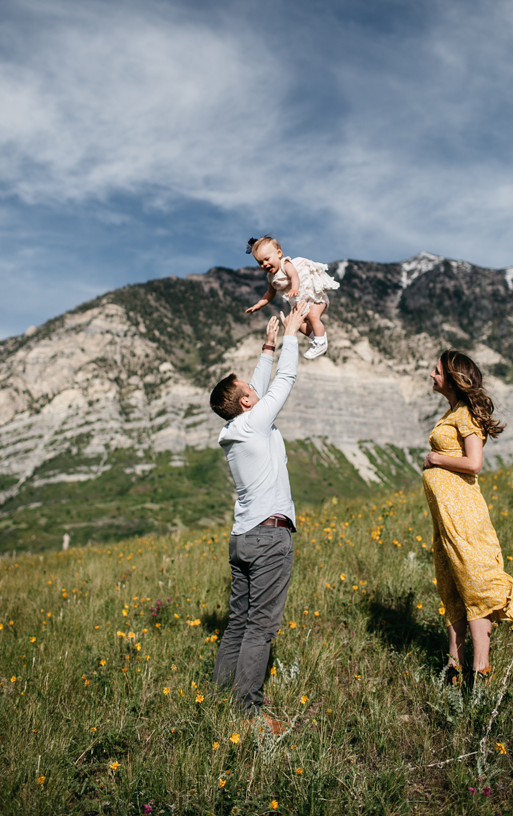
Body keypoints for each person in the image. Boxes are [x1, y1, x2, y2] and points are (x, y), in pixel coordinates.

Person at [209, 303, 309, 723]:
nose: (252, 388)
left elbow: (255, 389)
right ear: (246, 401)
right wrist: (290, 336)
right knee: (260, 627)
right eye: (248, 388)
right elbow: (284, 380)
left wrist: (266, 348)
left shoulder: (234, 429)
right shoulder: (254, 423)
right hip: (269, 539)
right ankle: (247, 711)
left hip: (241, 540)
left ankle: (218, 698)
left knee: (238, 622)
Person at [422, 349, 513, 684]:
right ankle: (454, 664)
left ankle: (480, 667)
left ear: (450, 377)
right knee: (451, 585)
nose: (431, 375)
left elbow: (474, 464)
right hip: (446, 518)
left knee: (473, 583)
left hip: (463, 514)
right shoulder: (453, 412)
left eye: (436, 371)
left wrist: (436, 459)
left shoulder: (465, 415)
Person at [244, 235, 340, 360]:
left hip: (313, 296)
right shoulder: (271, 278)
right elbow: (270, 294)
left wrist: (294, 288)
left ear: (279, 254)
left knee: (312, 316)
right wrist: (259, 304)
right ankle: (318, 337)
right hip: (301, 302)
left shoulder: (285, 264)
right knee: (292, 322)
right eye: (261, 262)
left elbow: (294, 275)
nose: (265, 264)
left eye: (267, 259)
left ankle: (320, 342)